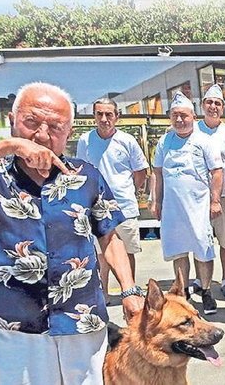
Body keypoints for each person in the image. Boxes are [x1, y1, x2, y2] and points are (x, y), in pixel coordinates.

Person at [0, 82, 144, 384]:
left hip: (82, 319)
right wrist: (8, 146)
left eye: (55, 126)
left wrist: (129, 290)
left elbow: (108, 235)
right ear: (13, 122)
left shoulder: (86, 176)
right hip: (17, 324)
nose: (42, 135)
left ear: (68, 133)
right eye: (31, 122)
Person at [150, 92, 223, 315]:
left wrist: (215, 200)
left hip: (198, 206)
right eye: (175, 116)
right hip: (173, 209)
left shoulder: (204, 140)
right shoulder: (165, 141)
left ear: (193, 115)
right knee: (179, 252)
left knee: (203, 249)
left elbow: (217, 172)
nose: (180, 120)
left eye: (183, 115)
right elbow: (157, 173)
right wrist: (156, 200)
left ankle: (207, 291)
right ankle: (183, 294)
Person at [76, 98, 149, 301]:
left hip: (124, 206)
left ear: (117, 116)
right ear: (94, 116)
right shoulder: (85, 140)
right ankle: (103, 294)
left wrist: (129, 190)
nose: (104, 118)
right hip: (96, 208)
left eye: (109, 114)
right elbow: (81, 171)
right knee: (101, 254)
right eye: (100, 114)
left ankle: (130, 292)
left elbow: (140, 171)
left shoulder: (127, 140)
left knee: (127, 251)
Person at [195, 84, 225, 299]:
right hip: (197, 197)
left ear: (223, 108)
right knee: (200, 240)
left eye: (217, 103)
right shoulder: (193, 130)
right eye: (209, 103)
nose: (213, 107)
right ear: (202, 106)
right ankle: (200, 280)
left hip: (224, 196)